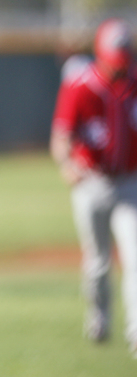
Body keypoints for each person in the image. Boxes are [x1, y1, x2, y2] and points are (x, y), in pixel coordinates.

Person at [51, 18, 137, 357]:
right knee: (98, 262)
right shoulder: (80, 85)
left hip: (130, 184)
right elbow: (61, 138)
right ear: (100, 54)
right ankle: (98, 319)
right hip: (92, 184)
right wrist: (67, 165)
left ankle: (135, 331)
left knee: (135, 258)